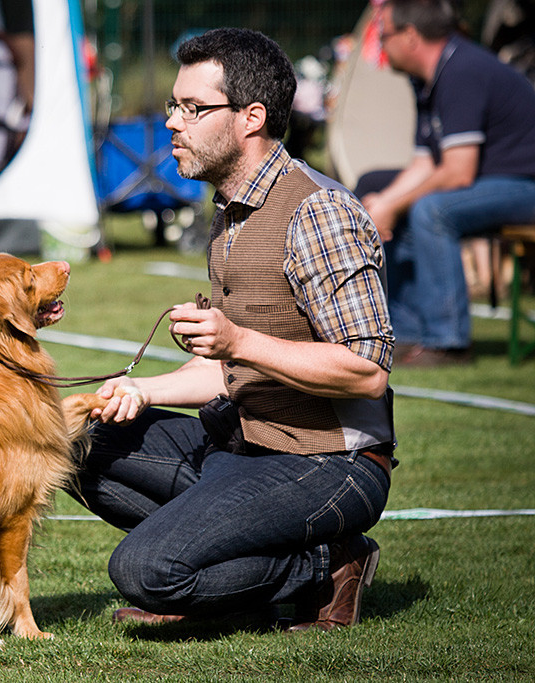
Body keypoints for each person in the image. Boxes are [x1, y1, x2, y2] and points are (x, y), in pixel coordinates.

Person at [69, 28, 396, 634]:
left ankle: (329, 564)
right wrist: (142, 392)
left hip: (331, 463)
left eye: (193, 109)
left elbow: (367, 371)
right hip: (243, 444)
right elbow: (231, 368)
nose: (172, 122)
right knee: (74, 442)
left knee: (145, 571)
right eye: (174, 105)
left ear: (252, 117)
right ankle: (232, 577)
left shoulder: (318, 212)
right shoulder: (229, 212)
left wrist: (237, 340)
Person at [357, 0, 535, 366]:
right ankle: (404, 331)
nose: (379, 46)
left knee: (431, 210)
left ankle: (448, 342)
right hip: (492, 180)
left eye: (383, 36)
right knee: (372, 183)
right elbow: (425, 163)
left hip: (524, 185)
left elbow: (458, 172)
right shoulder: (427, 78)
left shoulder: (463, 70)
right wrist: (385, 202)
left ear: (410, 36)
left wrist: (393, 204)